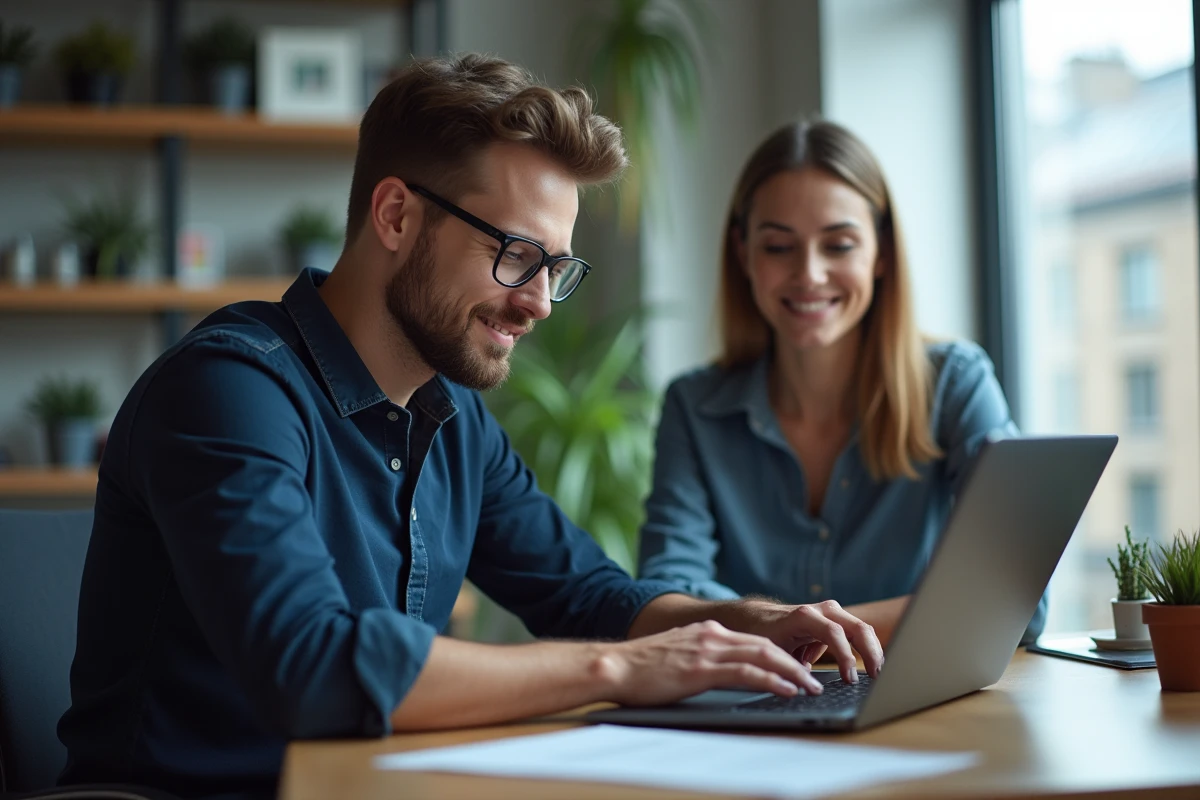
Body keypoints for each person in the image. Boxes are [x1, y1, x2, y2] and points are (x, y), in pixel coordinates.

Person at [57, 58, 882, 800]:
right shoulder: (227, 392)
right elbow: (309, 667)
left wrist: (750, 622)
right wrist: (622, 670)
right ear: (395, 216)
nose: (538, 304)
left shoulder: (450, 415)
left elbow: (587, 595)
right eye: (518, 256)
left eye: (556, 269)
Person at [638, 120, 1046, 648]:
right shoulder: (694, 407)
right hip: (749, 705)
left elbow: (1016, 596)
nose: (809, 273)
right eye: (779, 247)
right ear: (744, 254)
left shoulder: (956, 383)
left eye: (839, 245)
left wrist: (800, 631)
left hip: (914, 708)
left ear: (881, 253)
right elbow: (666, 597)